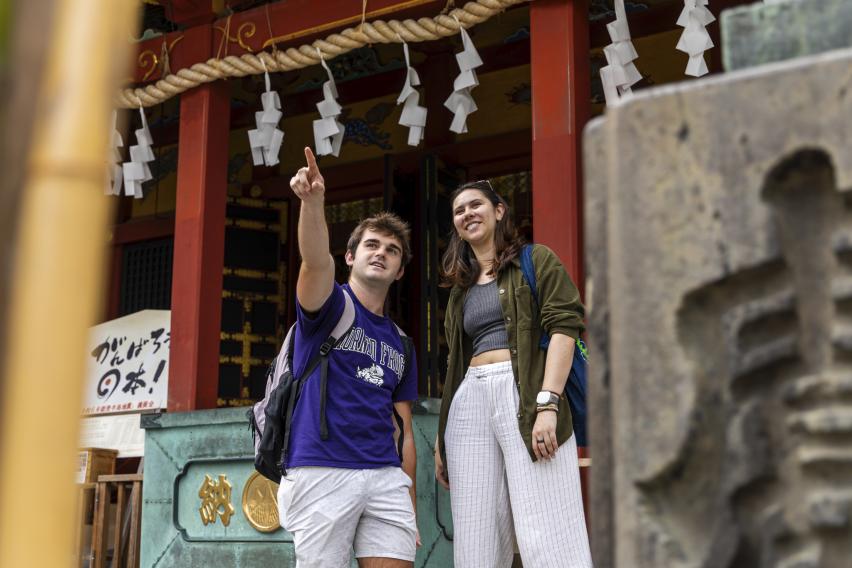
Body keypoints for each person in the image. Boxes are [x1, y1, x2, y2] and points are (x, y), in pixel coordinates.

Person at [433, 179, 592, 567]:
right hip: (470, 401)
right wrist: (442, 437)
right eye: (459, 210)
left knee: (550, 530)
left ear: (499, 210)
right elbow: (454, 364)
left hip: (529, 394)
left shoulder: (537, 260)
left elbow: (564, 328)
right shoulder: (461, 290)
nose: (467, 213)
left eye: (476, 205)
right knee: (476, 533)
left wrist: (548, 403)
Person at [278, 147, 419, 568]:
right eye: (372, 245)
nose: (381, 252)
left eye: (392, 250)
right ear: (351, 257)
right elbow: (315, 260)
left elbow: (405, 431)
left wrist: (409, 502)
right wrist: (313, 202)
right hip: (322, 468)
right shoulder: (328, 307)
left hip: (384, 475)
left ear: (400, 270)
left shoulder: (400, 341)